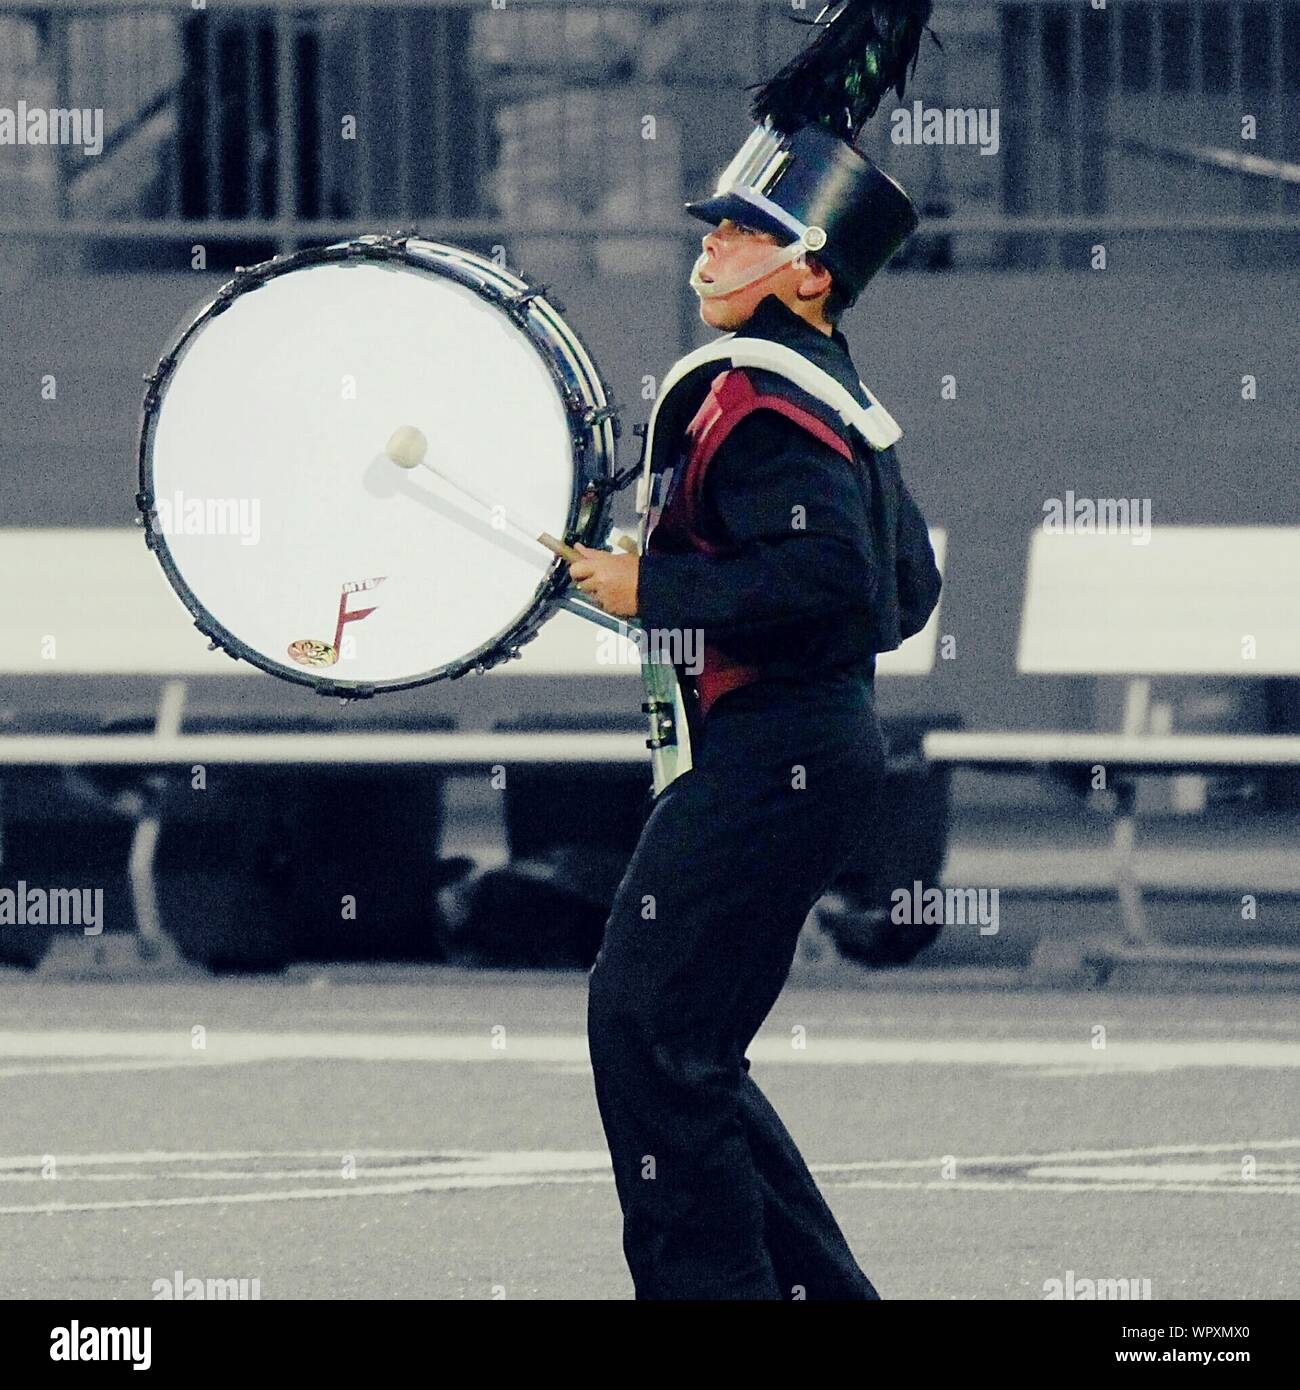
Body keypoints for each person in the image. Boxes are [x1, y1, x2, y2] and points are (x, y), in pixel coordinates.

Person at [569, 0, 942, 1299]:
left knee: (649, 1025)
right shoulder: (828, 390)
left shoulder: (768, 394)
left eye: (747, 229)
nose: (715, 242)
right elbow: (906, 587)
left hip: (775, 755)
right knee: (683, 1042)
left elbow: (835, 578)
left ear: (809, 271)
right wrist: (649, 590)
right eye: (723, 223)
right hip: (806, 745)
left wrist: (652, 580)